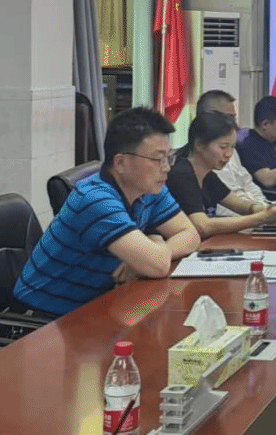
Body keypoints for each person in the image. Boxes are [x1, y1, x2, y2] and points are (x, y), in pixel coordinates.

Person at [13, 107, 201, 317]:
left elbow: (190, 235)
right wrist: (155, 241)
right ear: (120, 162)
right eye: (157, 159)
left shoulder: (150, 190)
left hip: (96, 306)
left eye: (168, 157)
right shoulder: (96, 200)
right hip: (44, 319)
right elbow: (158, 266)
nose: (166, 168)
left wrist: (150, 254)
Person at [168, 110, 276, 239]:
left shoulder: (207, 174)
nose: (228, 154)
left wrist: (262, 209)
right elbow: (202, 227)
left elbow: (239, 205)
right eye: (223, 147)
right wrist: (261, 218)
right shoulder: (182, 174)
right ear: (199, 145)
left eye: (232, 147)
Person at [194, 89, 271, 212]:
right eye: (229, 118)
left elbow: (247, 185)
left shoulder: (212, 173)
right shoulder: (191, 169)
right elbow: (205, 221)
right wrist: (261, 214)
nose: (228, 154)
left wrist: (265, 208)